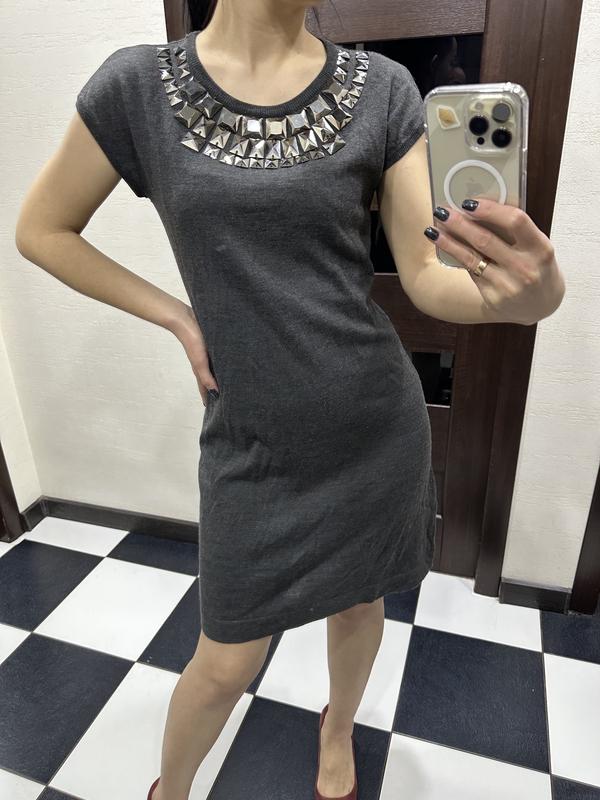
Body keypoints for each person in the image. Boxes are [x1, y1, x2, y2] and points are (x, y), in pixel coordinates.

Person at [14, 1, 565, 799]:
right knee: (225, 661)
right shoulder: (136, 86)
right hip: (252, 442)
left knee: (360, 605)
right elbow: (43, 229)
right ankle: (171, 791)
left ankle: (336, 729)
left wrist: (524, 300)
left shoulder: (383, 90)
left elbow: (425, 277)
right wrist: (177, 316)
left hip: (374, 430)